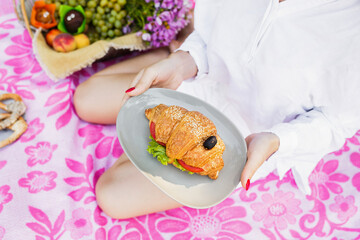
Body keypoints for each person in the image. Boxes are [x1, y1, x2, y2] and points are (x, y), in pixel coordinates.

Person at [73, 0, 360, 219]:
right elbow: (210, 31)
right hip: (200, 79)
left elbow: (334, 123)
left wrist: (276, 141)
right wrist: (185, 60)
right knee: (85, 99)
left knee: (111, 196)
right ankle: (168, 54)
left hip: (245, 137)